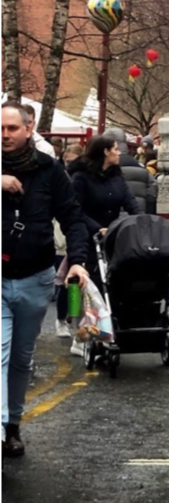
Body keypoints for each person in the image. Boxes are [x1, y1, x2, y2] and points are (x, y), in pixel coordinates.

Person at [1, 103, 90, 469]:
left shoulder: (50, 170)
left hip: (36, 277)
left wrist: (79, 261)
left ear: (28, 128)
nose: (4, 135)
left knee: (21, 358)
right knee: (0, 353)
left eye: (10, 128)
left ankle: (13, 424)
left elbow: (72, 217)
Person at [69, 134, 143, 355]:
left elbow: (130, 201)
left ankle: (103, 330)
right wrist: (96, 228)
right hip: (85, 234)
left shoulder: (116, 176)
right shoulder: (81, 178)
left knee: (107, 285)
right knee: (82, 285)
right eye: (115, 149)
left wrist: (142, 221)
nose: (119, 152)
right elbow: (75, 209)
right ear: (105, 152)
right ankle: (78, 334)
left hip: (112, 236)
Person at [105, 127, 158, 215]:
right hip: (138, 216)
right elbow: (152, 191)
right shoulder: (141, 167)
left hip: (112, 218)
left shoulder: (105, 169)